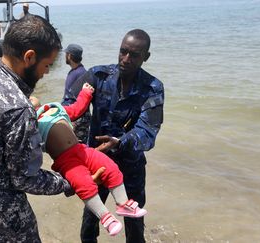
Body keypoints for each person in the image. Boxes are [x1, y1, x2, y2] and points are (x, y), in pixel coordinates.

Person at [0, 15, 103, 242]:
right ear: (29, 57)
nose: (47, 72)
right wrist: (73, 180)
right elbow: (25, 178)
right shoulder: (17, 110)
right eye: (46, 65)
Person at [74, 29, 164, 243]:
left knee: (134, 229)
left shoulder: (153, 88)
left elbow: (148, 131)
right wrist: (77, 150)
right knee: (89, 225)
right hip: (97, 164)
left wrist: (120, 142)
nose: (126, 59)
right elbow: (73, 108)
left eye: (134, 55)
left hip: (130, 168)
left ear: (146, 57)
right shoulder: (97, 76)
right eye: (123, 52)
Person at [30, 83, 147, 237]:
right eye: (26, 99)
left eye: (30, 96)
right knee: (84, 184)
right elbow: (30, 150)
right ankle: (105, 217)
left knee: (111, 167)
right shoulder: (31, 124)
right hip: (66, 162)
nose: (29, 98)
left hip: (83, 150)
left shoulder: (56, 109)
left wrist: (86, 92)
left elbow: (78, 108)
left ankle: (123, 203)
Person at [62, 43, 90, 143]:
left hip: (78, 119)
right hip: (72, 115)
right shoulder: (76, 72)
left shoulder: (81, 73)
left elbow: (79, 100)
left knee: (76, 148)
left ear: (69, 55)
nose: (65, 56)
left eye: (66, 54)